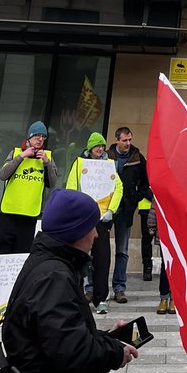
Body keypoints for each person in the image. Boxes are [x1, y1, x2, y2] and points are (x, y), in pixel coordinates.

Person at [3, 188, 138, 373]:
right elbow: (71, 352)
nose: (96, 234)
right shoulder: (54, 276)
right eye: (91, 227)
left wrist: (106, 338)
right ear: (75, 232)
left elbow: (56, 333)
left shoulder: (49, 263)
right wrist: (115, 352)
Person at [0, 120, 57, 320]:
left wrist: (47, 163)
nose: (39, 141)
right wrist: (21, 156)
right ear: (29, 138)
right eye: (36, 137)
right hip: (8, 215)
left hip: (29, 218)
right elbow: (2, 174)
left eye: (43, 137)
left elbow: (52, 183)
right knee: (0, 261)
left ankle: (14, 306)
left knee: (20, 264)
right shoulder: (16, 152)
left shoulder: (48, 157)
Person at [65, 131, 123, 315]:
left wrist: (111, 211)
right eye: (97, 146)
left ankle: (101, 299)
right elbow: (71, 187)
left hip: (101, 219)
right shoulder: (79, 163)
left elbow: (118, 188)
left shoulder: (109, 164)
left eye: (102, 146)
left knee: (102, 259)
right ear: (90, 148)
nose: (100, 149)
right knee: (77, 258)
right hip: (83, 219)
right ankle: (76, 296)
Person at [107, 126, 150, 304]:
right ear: (117, 139)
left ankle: (119, 288)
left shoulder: (137, 158)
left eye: (130, 140)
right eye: (125, 140)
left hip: (125, 209)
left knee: (122, 251)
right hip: (107, 207)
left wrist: (135, 198)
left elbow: (146, 182)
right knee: (98, 249)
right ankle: (92, 288)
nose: (128, 143)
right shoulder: (107, 157)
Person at [137, 194, 153, 281]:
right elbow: (142, 186)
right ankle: (147, 268)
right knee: (146, 239)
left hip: (163, 204)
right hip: (146, 206)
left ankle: (165, 269)